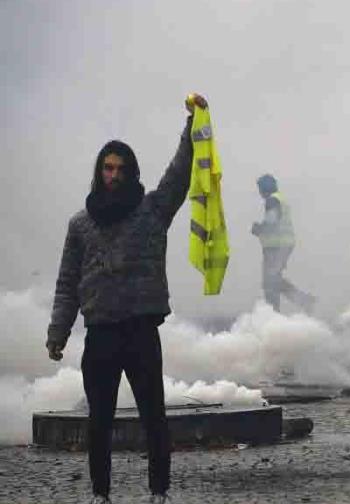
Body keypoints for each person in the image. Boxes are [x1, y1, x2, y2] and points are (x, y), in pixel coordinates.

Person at [45, 93, 208, 504]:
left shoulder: (152, 210)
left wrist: (191, 127)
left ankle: (159, 492)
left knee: (154, 417)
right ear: (99, 172)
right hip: (100, 333)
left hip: (139, 330)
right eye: (107, 167)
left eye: (120, 168)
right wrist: (57, 332)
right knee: (99, 420)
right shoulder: (80, 224)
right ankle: (101, 494)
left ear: (131, 171)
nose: (113, 175)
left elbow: (178, 177)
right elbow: (67, 282)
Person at [251, 174, 314, 312]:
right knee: (273, 279)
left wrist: (258, 229)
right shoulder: (279, 199)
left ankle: (274, 313)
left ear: (265, 188)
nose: (260, 192)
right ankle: (303, 300)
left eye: (260, 188)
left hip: (277, 246)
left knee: (270, 282)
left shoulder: (272, 200)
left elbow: (272, 222)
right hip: (282, 245)